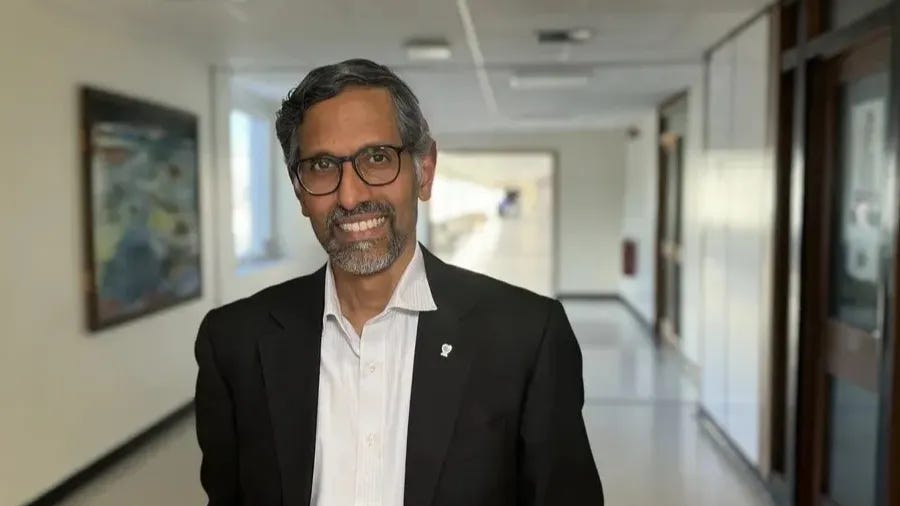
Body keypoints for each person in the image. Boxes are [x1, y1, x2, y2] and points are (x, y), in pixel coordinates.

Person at [194, 58, 604, 506]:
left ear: (424, 171)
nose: (351, 196)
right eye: (323, 165)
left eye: (377, 158)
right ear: (298, 190)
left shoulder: (525, 337)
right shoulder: (235, 342)